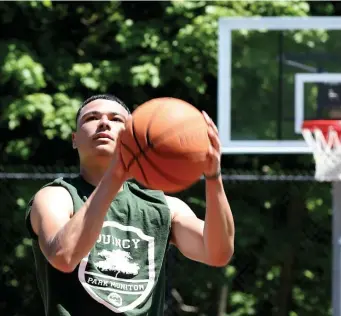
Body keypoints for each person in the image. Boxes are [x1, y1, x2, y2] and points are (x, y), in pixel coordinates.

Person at [25, 94, 235, 316]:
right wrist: (115, 176)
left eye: (116, 119)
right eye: (92, 118)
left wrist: (214, 178)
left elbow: (218, 253)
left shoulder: (163, 206)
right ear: (75, 139)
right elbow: (64, 256)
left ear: (134, 136)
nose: (104, 122)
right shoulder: (56, 196)